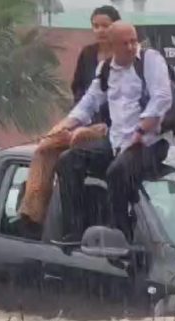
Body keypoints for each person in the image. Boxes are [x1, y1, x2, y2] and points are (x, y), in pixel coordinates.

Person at [58, 21, 173, 241]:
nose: (131, 47)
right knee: (68, 161)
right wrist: (66, 124)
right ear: (111, 47)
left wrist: (140, 131)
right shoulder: (105, 69)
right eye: (124, 43)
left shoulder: (150, 60)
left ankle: (120, 235)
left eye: (133, 41)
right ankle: (74, 230)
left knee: (116, 173)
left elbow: (162, 98)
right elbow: (90, 101)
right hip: (116, 142)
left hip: (148, 143)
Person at [16, 6, 121, 241]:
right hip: (83, 124)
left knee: (75, 147)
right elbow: (83, 97)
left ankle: (74, 226)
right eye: (96, 26)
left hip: (109, 131)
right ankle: (32, 214)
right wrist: (64, 126)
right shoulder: (88, 55)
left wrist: (96, 126)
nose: (101, 31)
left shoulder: (126, 58)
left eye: (106, 25)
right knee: (46, 146)